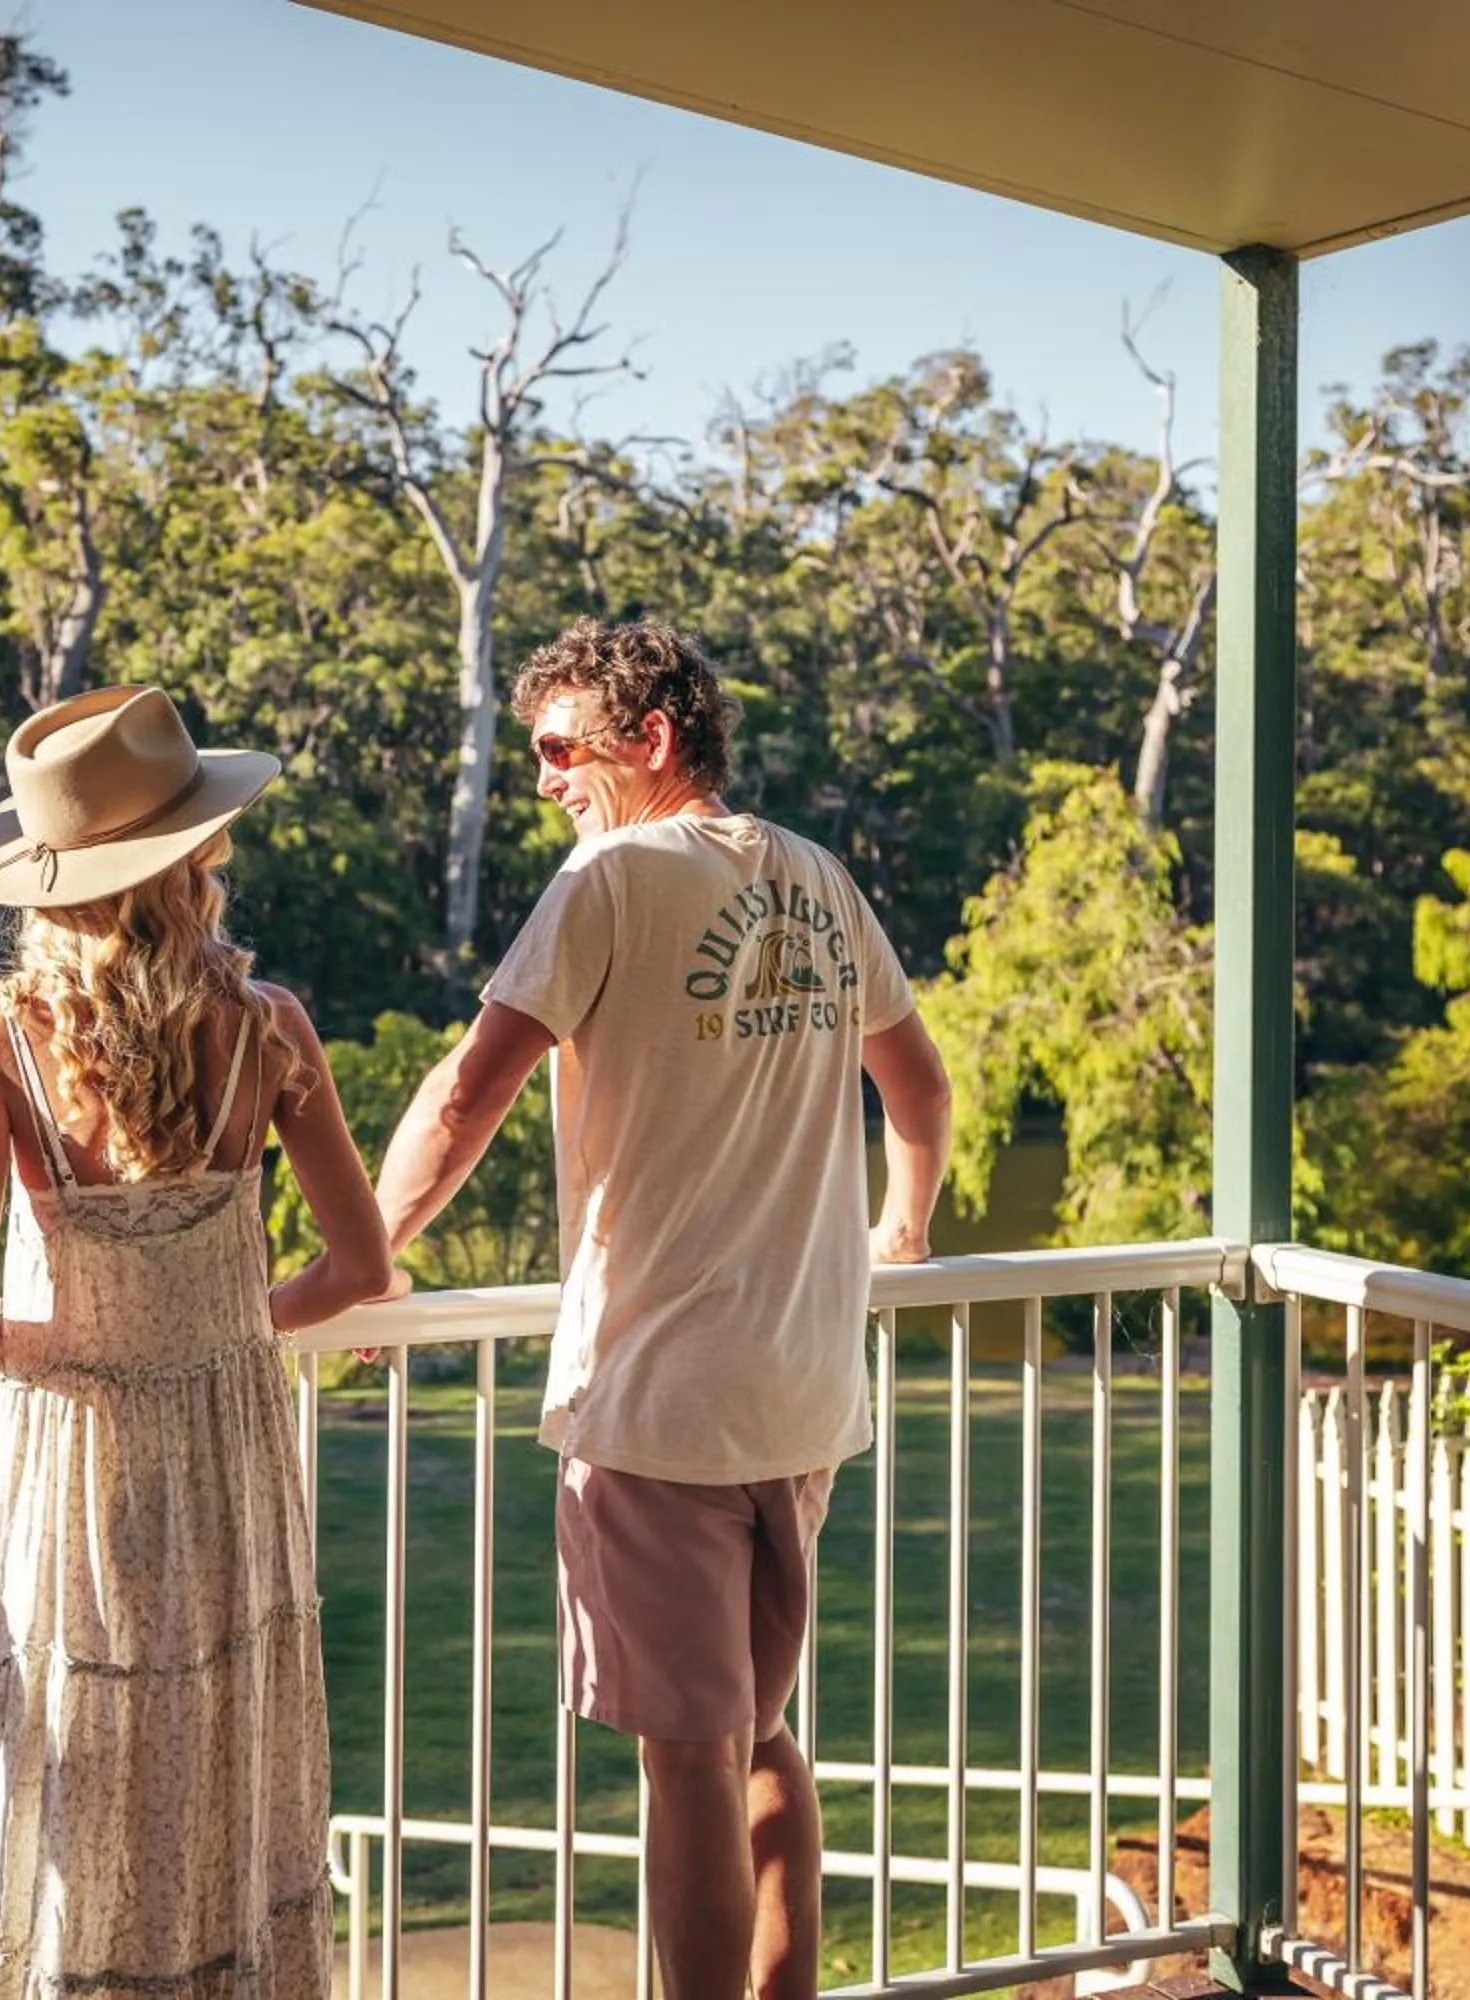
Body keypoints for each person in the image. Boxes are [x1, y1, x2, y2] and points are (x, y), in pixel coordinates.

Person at [374, 620, 952, 2000]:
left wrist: (366, 1251)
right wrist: (905, 1227)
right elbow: (918, 1086)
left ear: (651, 738)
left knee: (690, 1759)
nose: (545, 779)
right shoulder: (815, 875)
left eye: (561, 749)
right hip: (804, 1386)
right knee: (758, 1733)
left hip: (659, 1401)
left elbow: (466, 1096)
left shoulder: (611, 879)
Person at [0, 684, 394, 2000]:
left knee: (77, 1772)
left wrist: (94, 1344)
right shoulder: (270, 1025)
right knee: (226, 1762)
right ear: (195, 857)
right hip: (232, 1455)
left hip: (78, 1468)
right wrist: (224, 1329)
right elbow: (359, 1268)